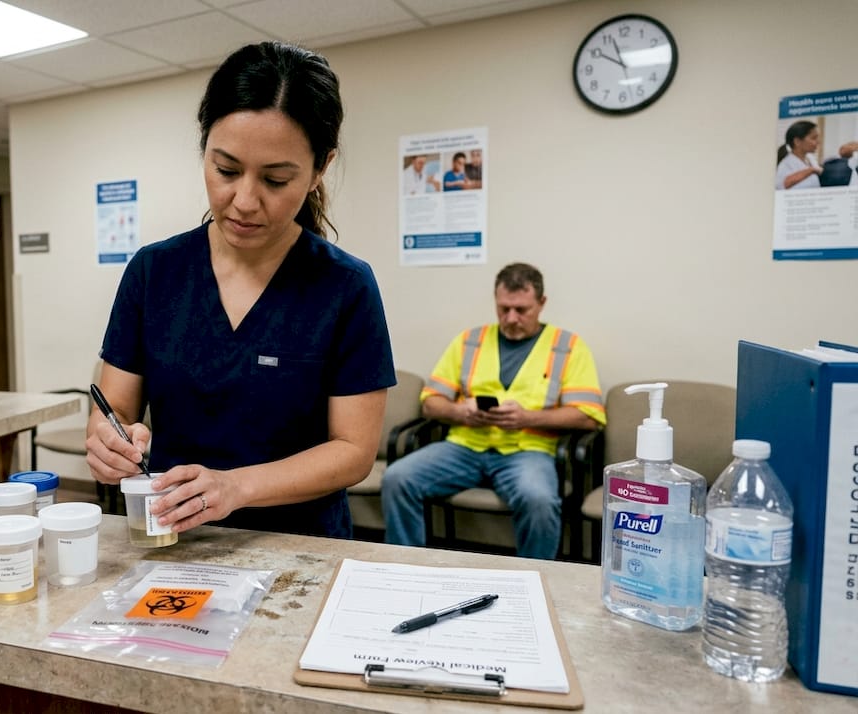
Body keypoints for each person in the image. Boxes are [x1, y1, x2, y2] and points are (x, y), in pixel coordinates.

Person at [86, 41, 396, 539]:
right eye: (226, 170)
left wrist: (236, 487)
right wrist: (108, 442)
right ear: (203, 149)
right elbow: (114, 410)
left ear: (320, 169)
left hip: (301, 549)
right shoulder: (154, 272)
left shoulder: (345, 287)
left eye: (275, 180)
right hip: (174, 541)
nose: (245, 201)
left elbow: (353, 452)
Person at [381, 263, 606, 559]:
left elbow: (588, 417)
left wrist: (526, 418)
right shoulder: (469, 341)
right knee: (397, 478)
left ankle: (533, 579)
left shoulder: (568, 347)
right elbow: (431, 403)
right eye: (503, 309)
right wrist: (462, 412)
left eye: (522, 310)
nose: (511, 318)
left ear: (542, 303)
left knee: (539, 499)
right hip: (465, 446)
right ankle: (406, 567)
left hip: (528, 451)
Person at [775, 120, 858, 190]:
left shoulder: (810, 158)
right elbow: (783, 185)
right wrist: (811, 170)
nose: (818, 142)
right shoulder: (786, 164)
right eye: (813, 138)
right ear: (797, 142)